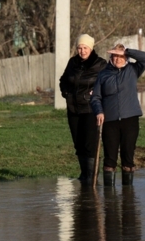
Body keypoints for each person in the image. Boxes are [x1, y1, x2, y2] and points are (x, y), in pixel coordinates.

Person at [90, 43, 145, 186]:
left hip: (130, 119)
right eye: (114, 56)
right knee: (110, 158)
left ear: (126, 57)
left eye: (120, 56)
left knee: (128, 157)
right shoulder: (103, 74)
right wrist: (99, 111)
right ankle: (110, 199)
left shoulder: (133, 70)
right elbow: (95, 97)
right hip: (109, 121)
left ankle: (128, 197)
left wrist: (126, 51)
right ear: (110, 57)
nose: (117, 59)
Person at [59, 34, 107, 184]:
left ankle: (92, 177)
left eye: (85, 47)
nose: (82, 51)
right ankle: (84, 174)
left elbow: (107, 82)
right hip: (73, 108)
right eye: (80, 48)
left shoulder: (100, 64)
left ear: (91, 48)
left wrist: (98, 91)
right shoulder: (72, 62)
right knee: (78, 142)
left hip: (90, 109)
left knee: (89, 144)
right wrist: (66, 93)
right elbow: (63, 80)